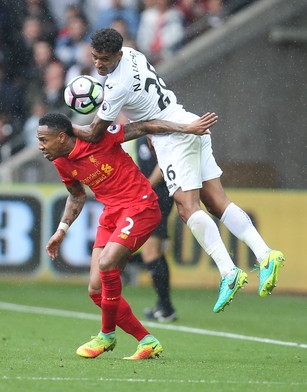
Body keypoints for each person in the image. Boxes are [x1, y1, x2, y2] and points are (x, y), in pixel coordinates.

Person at [72, 28, 285, 314]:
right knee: (216, 202)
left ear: (118, 54)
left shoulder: (116, 87)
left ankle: (228, 272)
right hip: (186, 118)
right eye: (95, 58)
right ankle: (265, 254)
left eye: (104, 59)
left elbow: (96, 132)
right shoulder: (134, 55)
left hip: (174, 135)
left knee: (187, 208)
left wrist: (66, 128)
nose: (98, 64)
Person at [39, 111, 217, 359]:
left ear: (61, 137)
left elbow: (145, 126)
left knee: (107, 262)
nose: (40, 146)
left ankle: (106, 335)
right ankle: (147, 341)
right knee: (95, 290)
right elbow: (77, 195)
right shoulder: (61, 162)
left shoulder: (100, 138)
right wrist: (61, 230)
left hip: (140, 205)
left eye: (43, 140)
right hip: (112, 214)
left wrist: (186, 128)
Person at [135, 136, 177, 322]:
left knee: (150, 251)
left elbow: (164, 163)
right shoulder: (139, 129)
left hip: (159, 194)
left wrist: (146, 187)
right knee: (156, 250)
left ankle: (166, 307)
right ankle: (165, 305)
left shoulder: (155, 129)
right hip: (154, 193)